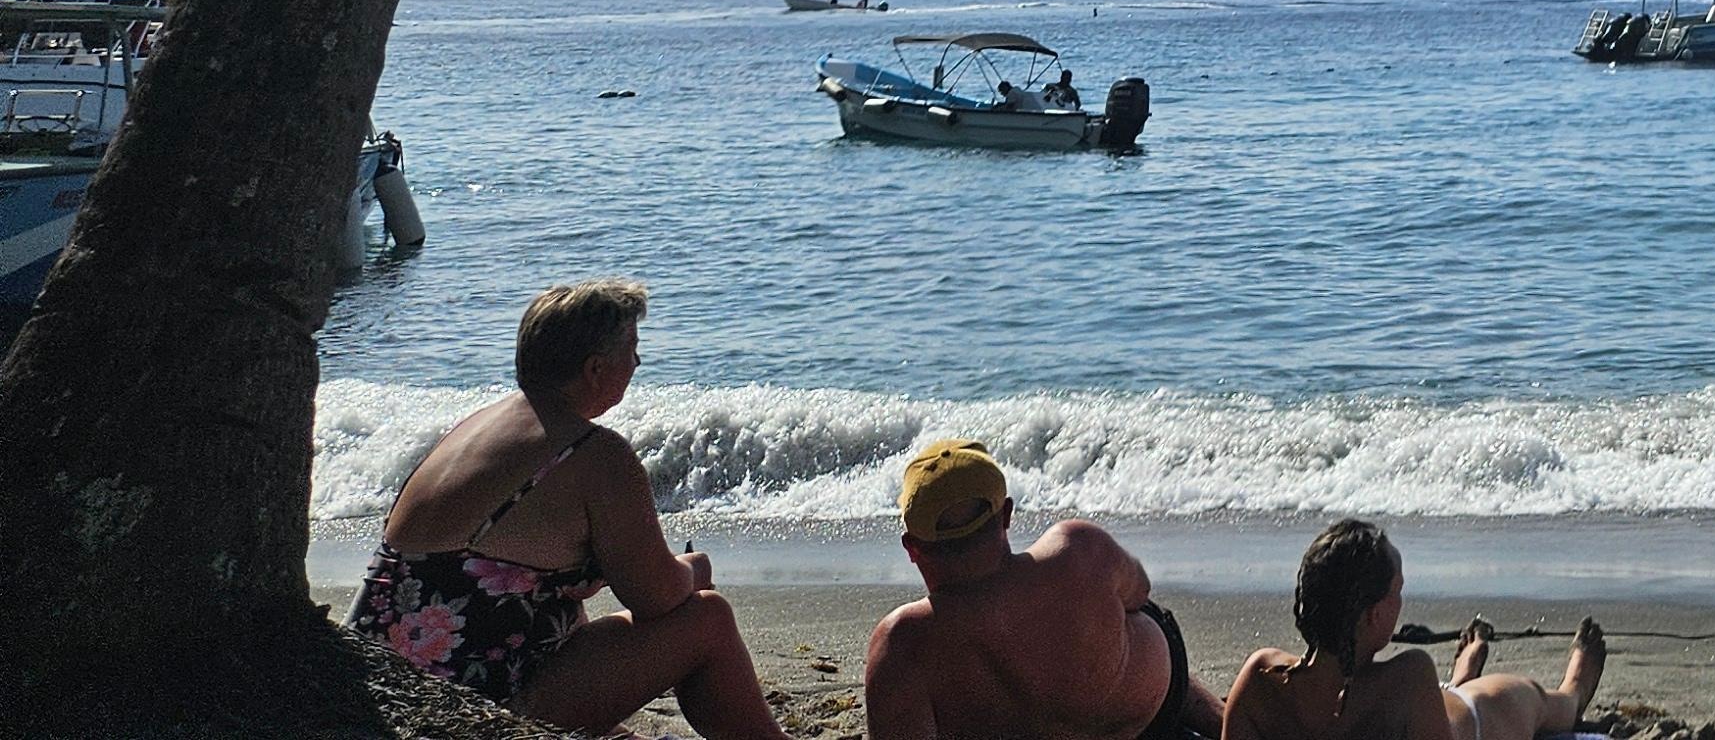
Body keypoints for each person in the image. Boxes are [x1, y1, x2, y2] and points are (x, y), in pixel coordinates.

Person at [350, 277, 782, 740]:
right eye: (632, 349)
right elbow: (655, 596)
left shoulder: (479, 427)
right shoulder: (591, 453)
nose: (638, 362)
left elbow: (516, 592)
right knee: (706, 617)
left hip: (381, 688)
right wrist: (693, 570)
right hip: (460, 711)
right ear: (595, 369)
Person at [864, 438, 1224, 740]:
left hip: (1138, 714)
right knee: (1124, 613)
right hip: (1145, 717)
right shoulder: (1078, 547)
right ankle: (1227, 724)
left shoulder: (902, 643)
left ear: (912, 548)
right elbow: (1140, 591)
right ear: (1005, 514)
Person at [1220, 516, 1610, 740]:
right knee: (1533, 699)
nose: (1401, 601)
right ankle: (1573, 692)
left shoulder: (1261, 675)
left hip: (1425, 710)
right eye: (1397, 591)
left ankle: (1461, 675)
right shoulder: (1408, 676)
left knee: (1446, 694)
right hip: (1470, 723)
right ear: (1373, 615)